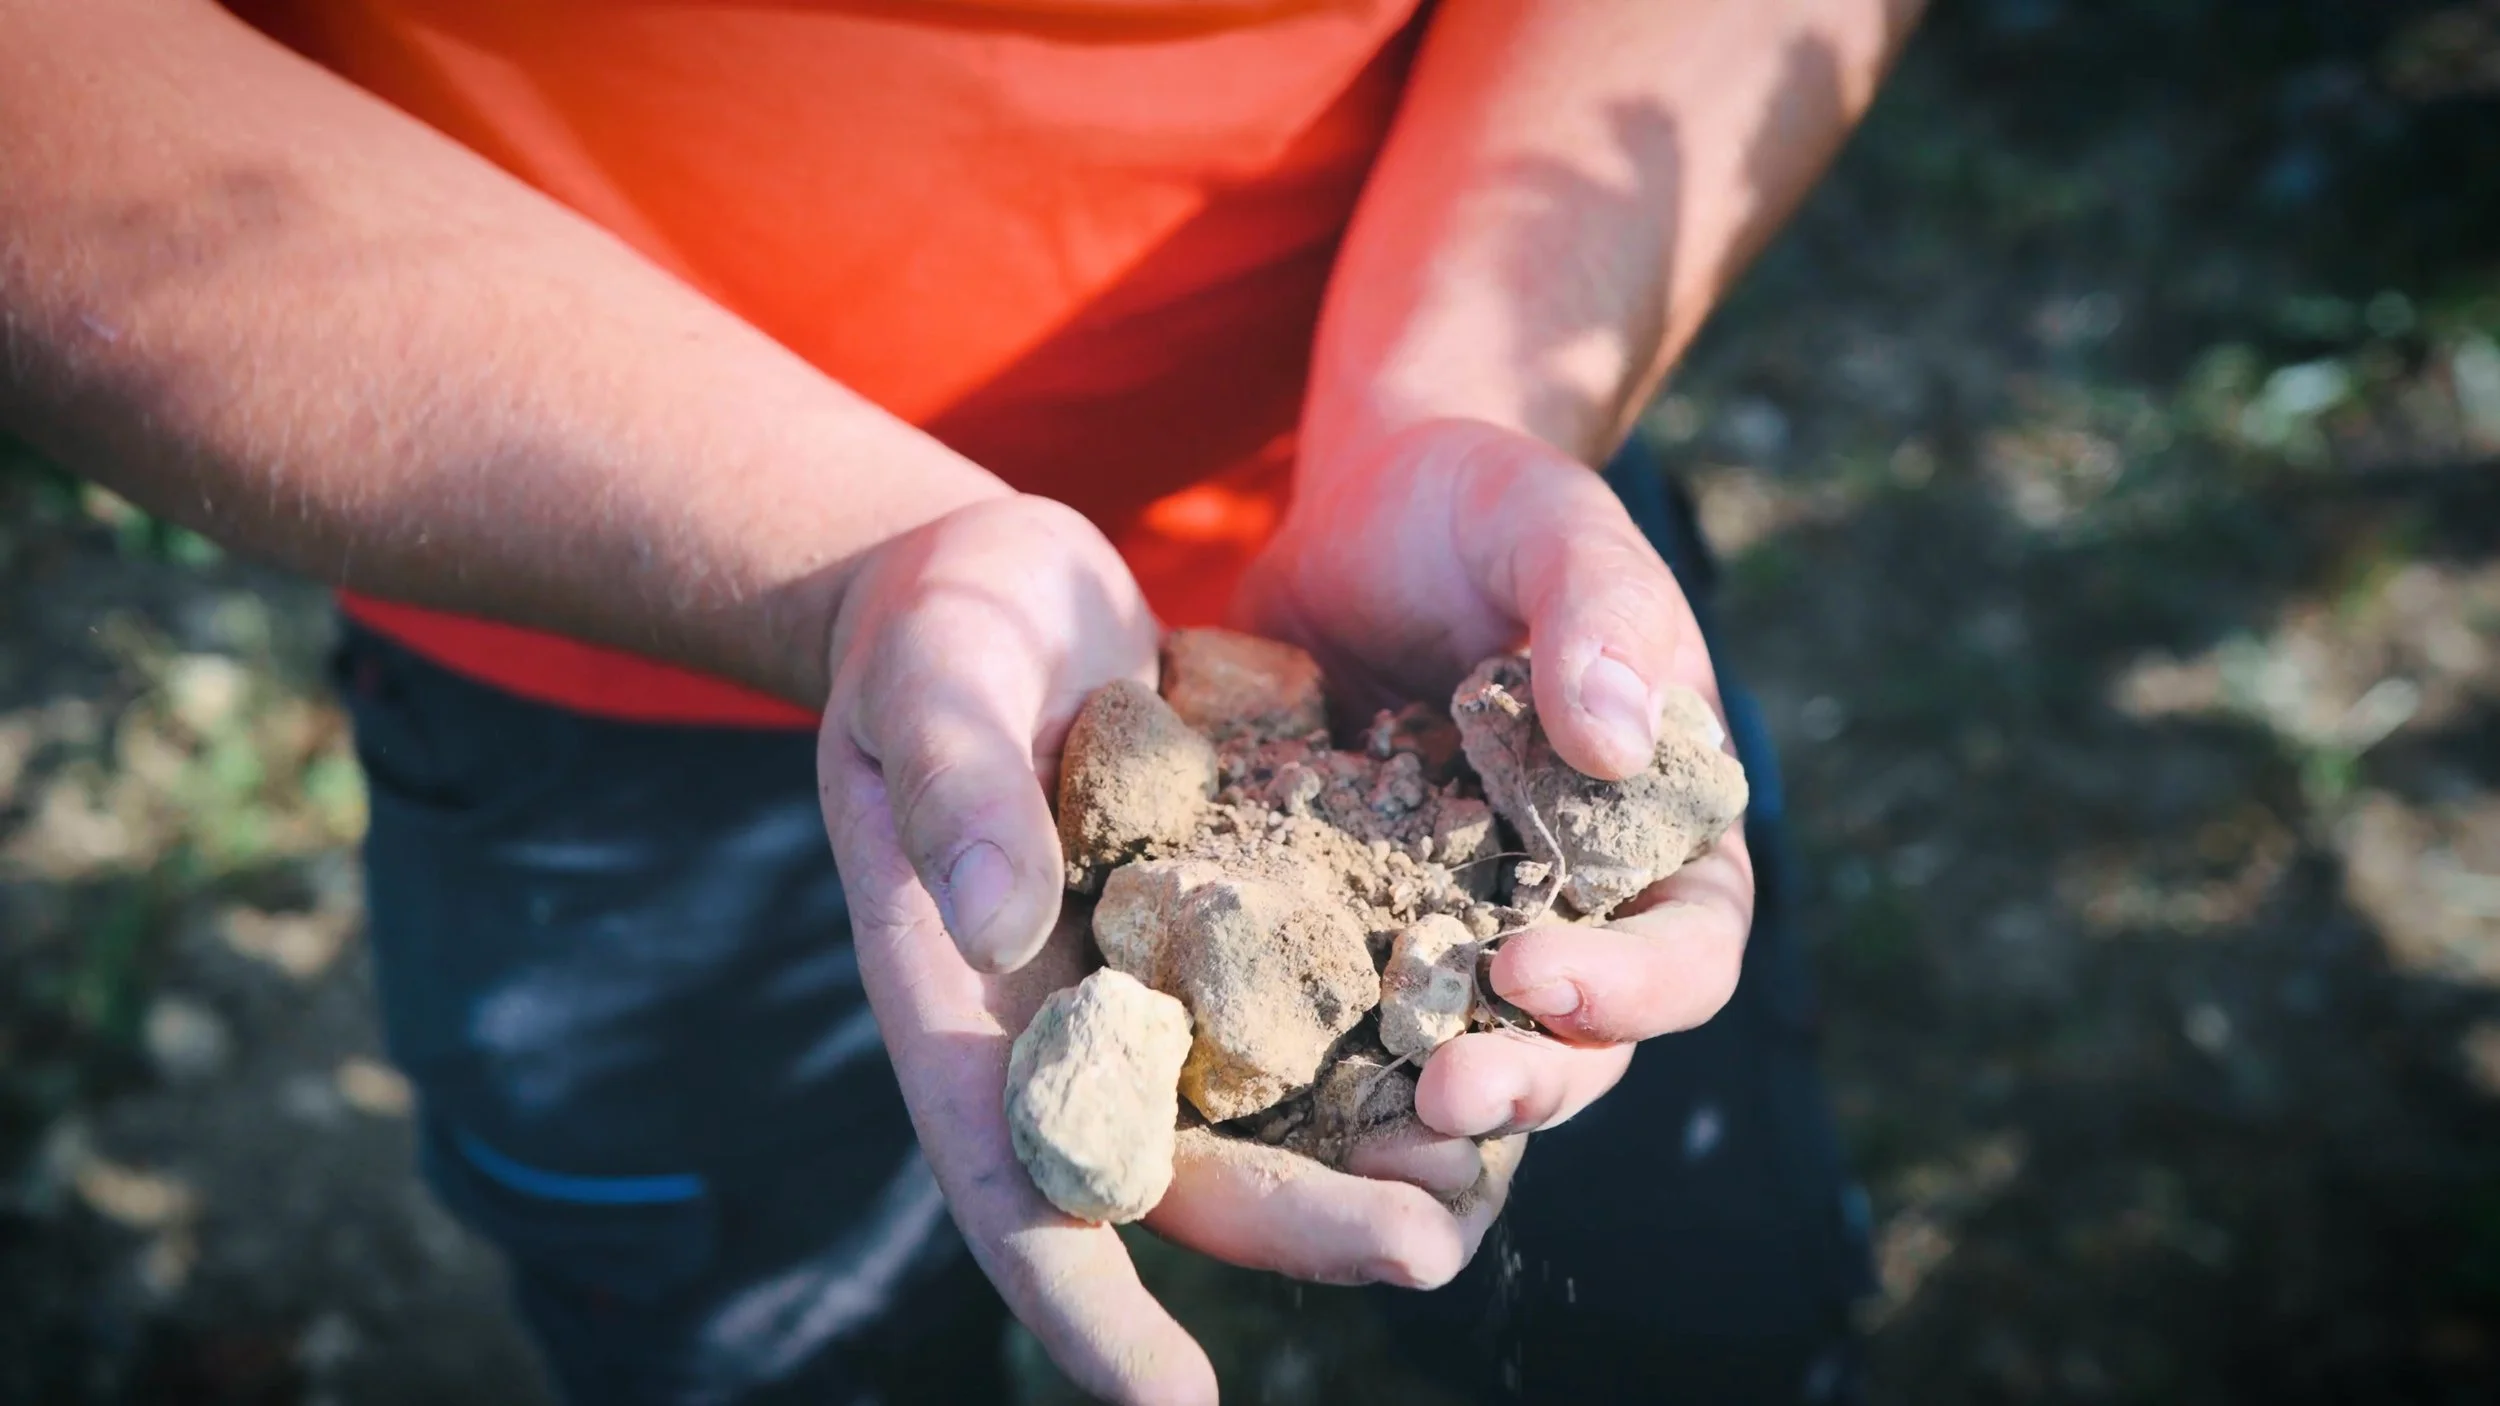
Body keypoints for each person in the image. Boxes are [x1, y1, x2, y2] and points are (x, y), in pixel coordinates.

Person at [1, 1, 1921, 1400]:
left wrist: (1465, 399)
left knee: (1690, 1297)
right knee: (766, 1358)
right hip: (584, 622)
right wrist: (855, 557)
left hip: (1451, 566)